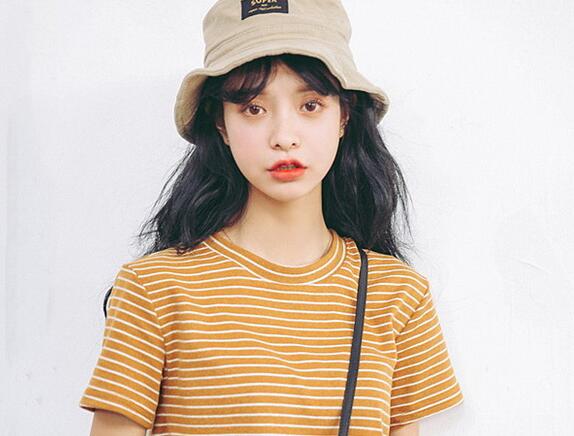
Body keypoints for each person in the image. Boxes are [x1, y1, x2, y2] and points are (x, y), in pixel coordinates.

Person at [79, 1, 464, 435]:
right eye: (253, 108)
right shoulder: (153, 289)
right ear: (220, 124)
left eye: (311, 105)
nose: (284, 137)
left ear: (344, 115)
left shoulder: (398, 294)